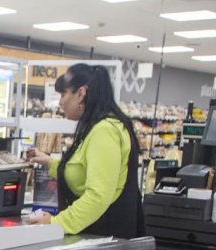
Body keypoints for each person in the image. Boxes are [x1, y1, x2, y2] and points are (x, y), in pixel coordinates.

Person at [25, 63, 143, 239]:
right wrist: (49, 162)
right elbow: (82, 170)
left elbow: (98, 196)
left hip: (104, 240)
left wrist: (56, 223)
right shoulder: (101, 126)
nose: (60, 102)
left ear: (81, 93)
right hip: (101, 237)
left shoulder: (104, 130)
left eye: (64, 94)